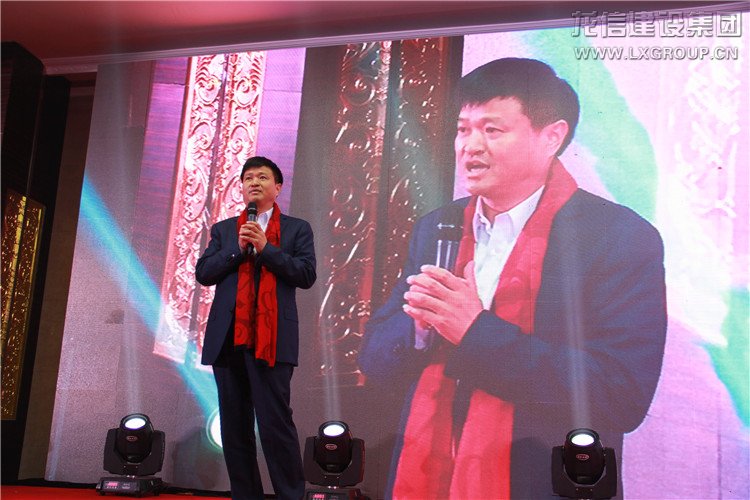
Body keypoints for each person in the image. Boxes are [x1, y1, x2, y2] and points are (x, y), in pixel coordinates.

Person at [358, 58, 667, 499]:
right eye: (463, 129)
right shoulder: (438, 227)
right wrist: (420, 330)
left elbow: (621, 396)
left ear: (552, 137)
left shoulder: (617, 237)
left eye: (492, 129)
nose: (470, 146)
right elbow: (374, 358)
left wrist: (473, 331)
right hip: (427, 477)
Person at [196, 156, 316, 500]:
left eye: (263, 177)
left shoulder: (296, 229)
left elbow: (305, 274)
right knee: (235, 429)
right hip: (228, 340)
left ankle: (290, 495)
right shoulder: (224, 230)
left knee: (275, 425)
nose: (254, 182)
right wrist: (236, 250)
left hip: (272, 341)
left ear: (277, 187)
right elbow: (204, 273)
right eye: (248, 178)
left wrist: (266, 248)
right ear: (242, 187)